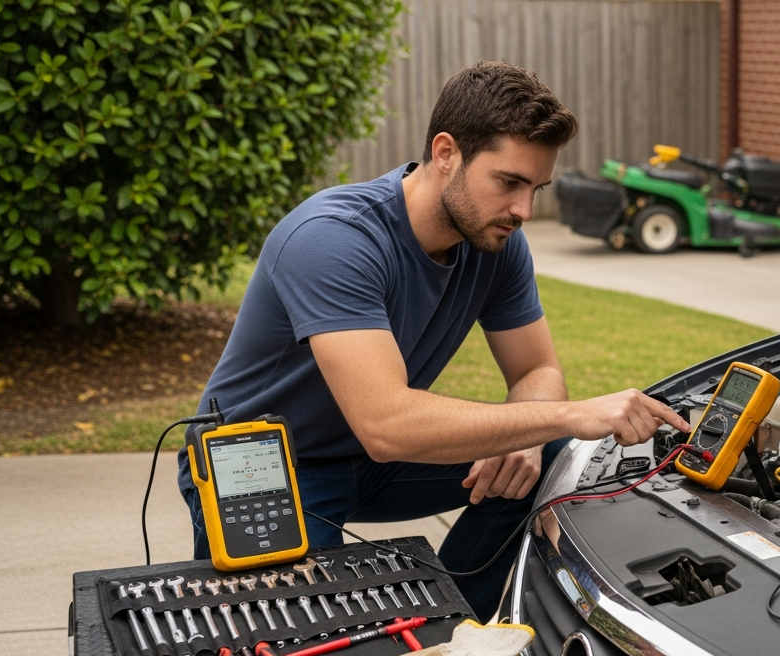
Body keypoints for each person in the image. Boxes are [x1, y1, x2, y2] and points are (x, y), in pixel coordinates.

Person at [177, 61, 689, 617]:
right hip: (262, 464)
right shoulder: (332, 239)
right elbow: (387, 425)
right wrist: (566, 415)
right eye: (510, 183)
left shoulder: (498, 242)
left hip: (374, 462)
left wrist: (525, 435)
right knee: (302, 643)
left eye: (536, 187)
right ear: (446, 154)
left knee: (552, 459)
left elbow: (534, 372)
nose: (525, 210)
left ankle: (448, 629)